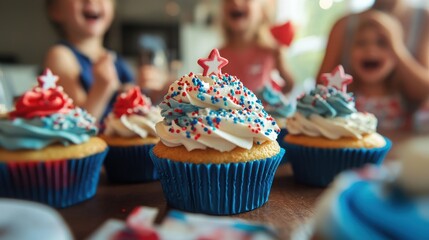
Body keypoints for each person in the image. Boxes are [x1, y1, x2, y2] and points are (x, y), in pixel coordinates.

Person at [317, 0, 429, 122]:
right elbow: (321, 89)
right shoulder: (343, 25)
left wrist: (397, 48)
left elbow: (423, 94)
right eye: (361, 43)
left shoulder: (423, 18)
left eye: (382, 44)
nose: (371, 51)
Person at [43, 0, 134, 122]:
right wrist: (102, 88)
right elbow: (77, 126)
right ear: (55, 11)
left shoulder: (116, 59)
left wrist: (156, 94)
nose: (91, 0)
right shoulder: (60, 55)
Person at [219, 0, 294, 94]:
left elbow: (289, 85)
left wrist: (273, 100)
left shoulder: (271, 52)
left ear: (263, 11)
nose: (236, 2)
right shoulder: (217, 56)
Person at [350, 19, 409, 130]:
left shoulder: (406, 99)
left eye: (382, 43)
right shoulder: (345, 101)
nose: (370, 49)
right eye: (361, 43)